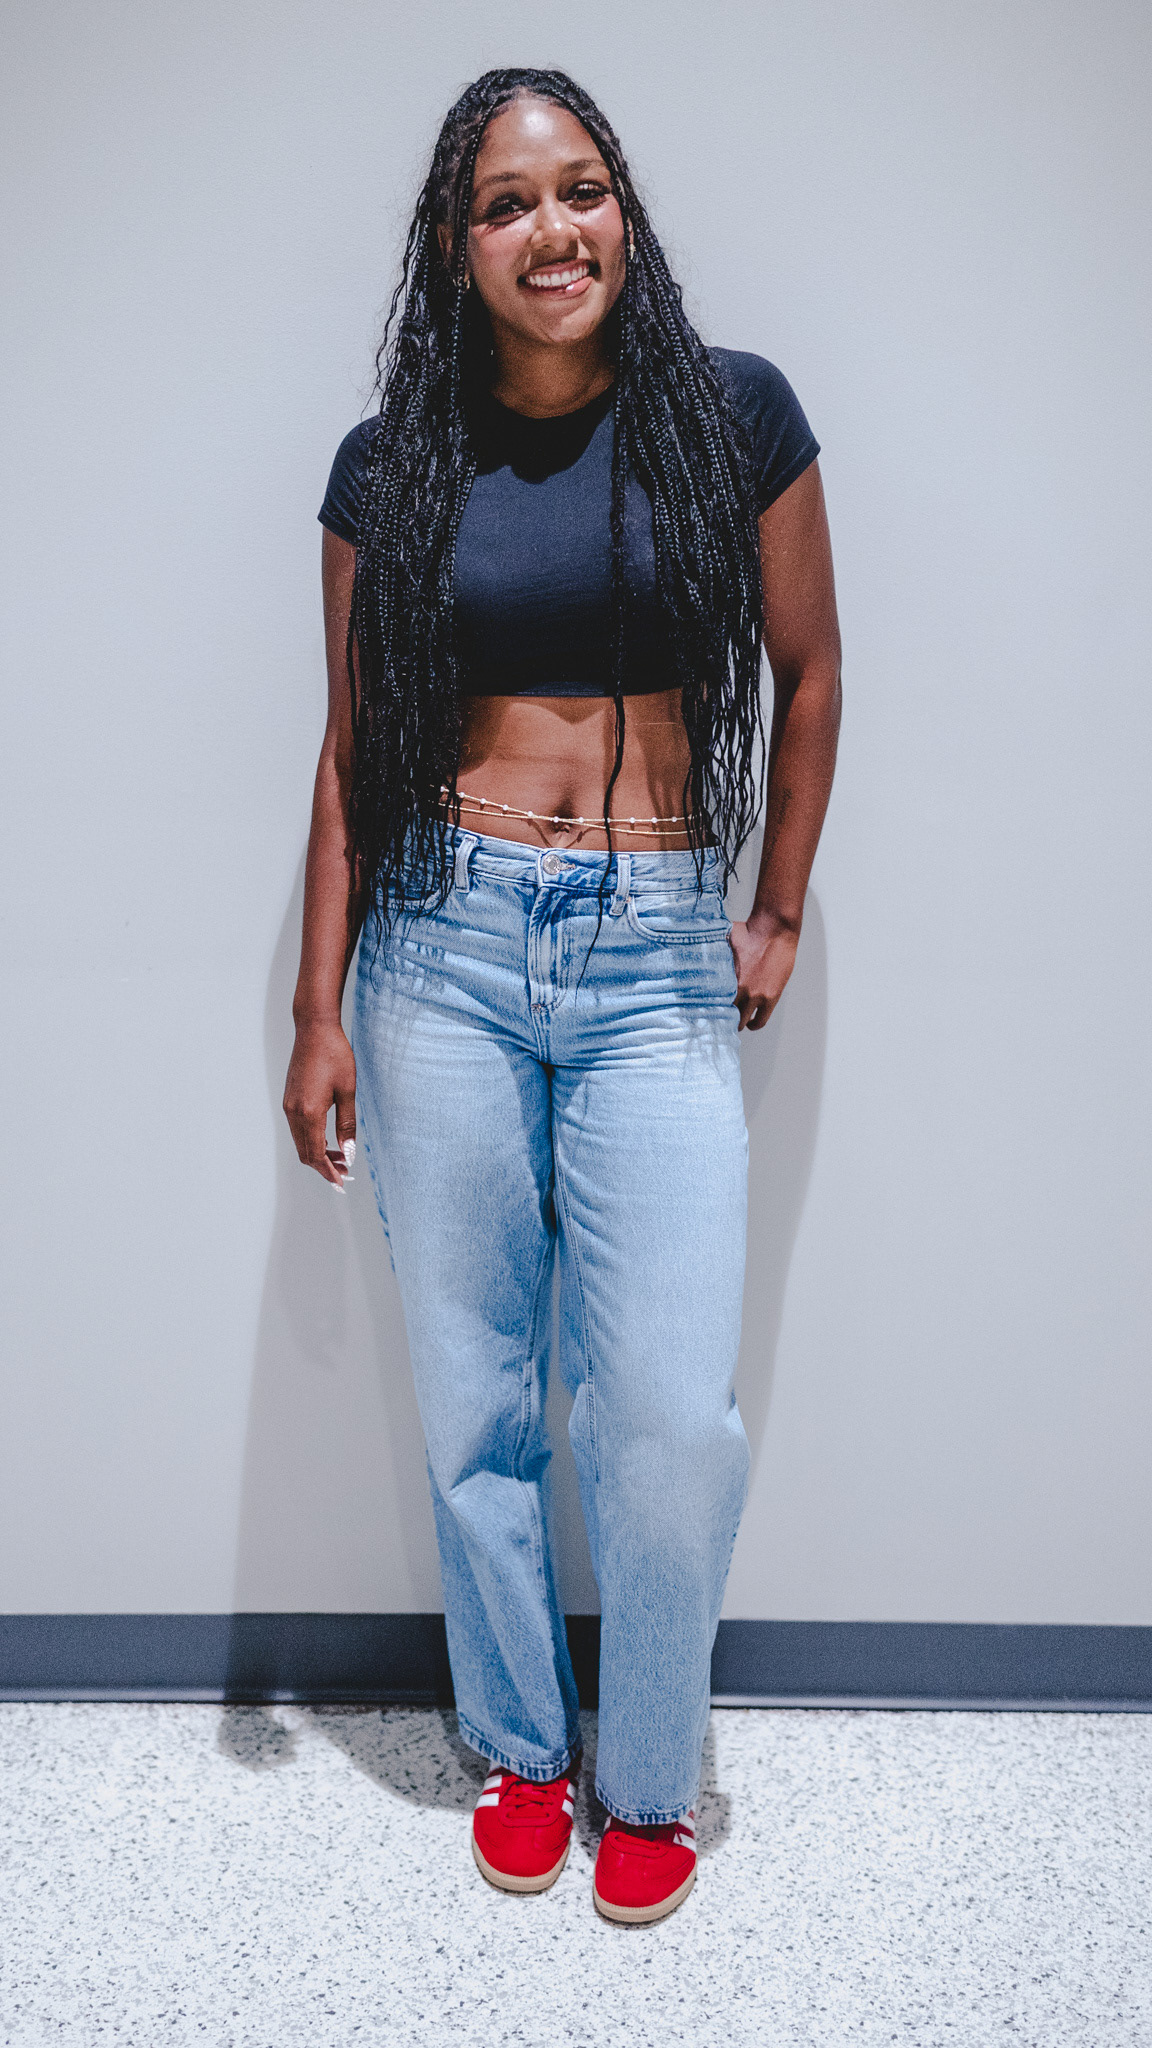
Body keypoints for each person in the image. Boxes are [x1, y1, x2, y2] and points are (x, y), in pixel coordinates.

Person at [284, 67, 841, 1925]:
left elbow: (814, 669)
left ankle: (650, 1774)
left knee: (667, 1414)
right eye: (507, 204)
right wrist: (318, 1007)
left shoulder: (733, 416)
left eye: (581, 188)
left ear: (626, 211)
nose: (553, 230)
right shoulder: (390, 466)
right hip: (438, 945)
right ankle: (521, 1746)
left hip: (654, 946)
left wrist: (774, 906)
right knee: (478, 1395)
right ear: (456, 248)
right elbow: (353, 747)